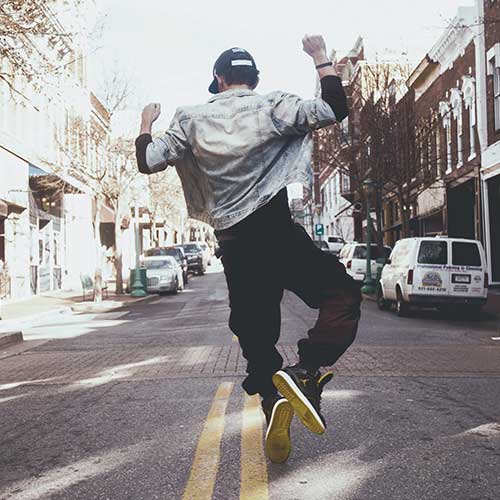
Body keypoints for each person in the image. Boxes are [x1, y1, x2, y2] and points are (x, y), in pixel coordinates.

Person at [135, 35, 362, 463]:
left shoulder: (190, 119)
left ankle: (273, 399)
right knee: (343, 296)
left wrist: (147, 121)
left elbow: (148, 161)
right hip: (278, 234)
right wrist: (319, 57)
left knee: (257, 340)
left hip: (236, 247)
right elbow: (335, 108)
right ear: (253, 79)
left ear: (218, 80)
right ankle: (306, 370)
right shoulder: (273, 105)